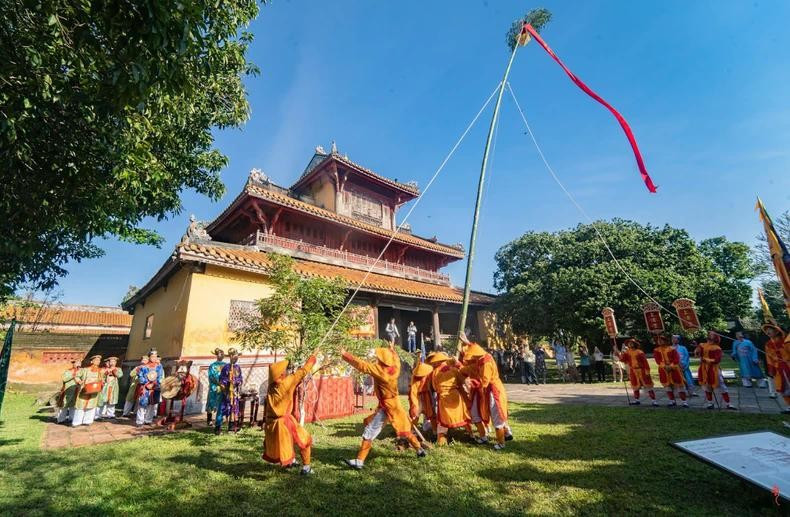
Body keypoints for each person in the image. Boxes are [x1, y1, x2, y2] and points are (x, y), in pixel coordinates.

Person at [341, 343, 426, 469]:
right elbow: (396, 358)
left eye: (379, 358)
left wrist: (345, 355)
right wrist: (391, 349)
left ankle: (359, 461)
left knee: (369, 432)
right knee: (404, 429)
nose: (377, 358)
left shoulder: (380, 371)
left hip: (387, 406)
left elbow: (362, 366)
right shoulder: (395, 367)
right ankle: (420, 450)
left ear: (382, 361)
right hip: (394, 403)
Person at [262, 351, 318, 475]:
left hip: (271, 423)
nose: (287, 371)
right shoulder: (286, 383)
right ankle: (306, 468)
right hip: (284, 422)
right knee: (305, 440)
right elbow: (302, 372)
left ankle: (290, 461)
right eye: (285, 370)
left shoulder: (270, 386)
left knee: (287, 442)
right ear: (281, 375)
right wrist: (312, 359)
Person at [458, 333, 513, 450]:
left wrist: (469, 383)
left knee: (497, 415)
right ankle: (484, 436)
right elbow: (470, 365)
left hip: (493, 391)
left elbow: (484, 382)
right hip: (484, 391)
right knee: (476, 413)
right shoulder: (480, 358)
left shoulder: (486, 362)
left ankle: (501, 442)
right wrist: (465, 343)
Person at [431, 353, 471, 446]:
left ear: (437, 362)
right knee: (463, 416)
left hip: (443, 397)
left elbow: (434, 387)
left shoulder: (435, 372)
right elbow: (462, 380)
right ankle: (471, 435)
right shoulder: (454, 370)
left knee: (442, 421)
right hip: (455, 396)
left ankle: (441, 442)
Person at [698, 332, 737, 410]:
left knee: (721, 385)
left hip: (714, 369)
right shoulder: (703, 345)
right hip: (703, 368)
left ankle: (728, 404)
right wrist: (697, 349)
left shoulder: (717, 348)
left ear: (715, 338)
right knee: (706, 386)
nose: (709, 336)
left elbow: (717, 360)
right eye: (709, 335)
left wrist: (705, 359)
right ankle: (710, 403)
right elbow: (698, 352)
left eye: (712, 335)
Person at [652, 335, 688, 407]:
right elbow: (658, 360)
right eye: (659, 340)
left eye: (661, 340)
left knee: (679, 385)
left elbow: (676, 359)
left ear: (665, 341)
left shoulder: (672, 349)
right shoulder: (656, 350)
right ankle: (671, 400)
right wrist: (664, 366)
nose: (660, 341)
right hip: (663, 370)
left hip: (674, 369)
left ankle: (684, 402)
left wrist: (670, 366)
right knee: (667, 386)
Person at [619, 339, 657, 406]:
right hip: (633, 371)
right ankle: (637, 400)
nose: (630, 344)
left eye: (631, 343)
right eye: (629, 343)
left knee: (648, 386)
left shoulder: (639, 352)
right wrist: (618, 353)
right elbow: (622, 359)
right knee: (635, 386)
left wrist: (647, 371)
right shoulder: (627, 352)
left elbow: (645, 362)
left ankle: (653, 400)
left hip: (642, 370)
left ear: (635, 344)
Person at [762, 323, 790, 413]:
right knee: (783, 388)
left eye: (769, 329)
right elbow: (769, 358)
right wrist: (771, 369)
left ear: (776, 330)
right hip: (779, 368)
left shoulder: (785, 340)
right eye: (766, 331)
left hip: (788, 365)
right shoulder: (768, 344)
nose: (767, 332)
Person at [72, 355, 104, 426]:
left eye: (99, 360)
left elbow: (102, 379)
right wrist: (80, 382)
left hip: (95, 390)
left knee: (91, 405)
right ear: (91, 361)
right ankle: (77, 422)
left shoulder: (100, 371)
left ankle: (87, 421)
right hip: (84, 389)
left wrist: (102, 383)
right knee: (80, 405)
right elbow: (76, 376)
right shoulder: (85, 370)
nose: (97, 362)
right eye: (96, 360)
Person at [408, 354, 435, 437]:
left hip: (427, 396)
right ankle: (411, 431)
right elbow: (413, 394)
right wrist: (414, 405)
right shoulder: (415, 381)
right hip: (418, 398)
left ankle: (435, 431)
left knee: (431, 414)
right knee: (415, 414)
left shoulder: (428, 376)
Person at [136, 348, 164, 427]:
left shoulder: (159, 367)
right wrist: (146, 383)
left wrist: (155, 384)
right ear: (149, 357)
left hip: (154, 388)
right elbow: (140, 376)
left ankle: (148, 420)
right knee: (142, 404)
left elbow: (160, 376)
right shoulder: (144, 367)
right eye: (152, 356)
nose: (154, 358)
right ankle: (139, 421)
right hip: (145, 388)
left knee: (152, 404)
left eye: (155, 357)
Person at [217, 348, 243, 434]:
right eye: (235, 357)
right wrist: (227, 383)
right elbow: (222, 379)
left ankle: (231, 427)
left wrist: (238, 382)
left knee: (234, 408)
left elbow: (240, 378)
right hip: (227, 392)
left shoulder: (238, 367)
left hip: (235, 392)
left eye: (237, 358)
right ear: (231, 357)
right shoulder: (226, 367)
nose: (236, 359)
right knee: (224, 407)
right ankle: (218, 428)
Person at [206, 348, 225, 426]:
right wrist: (218, 382)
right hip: (214, 387)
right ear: (216, 355)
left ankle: (220, 419)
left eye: (222, 354)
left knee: (221, 403)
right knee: (211, 402)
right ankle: (209, 420)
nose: (221, 355)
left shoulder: (226, 365)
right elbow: (211, 376)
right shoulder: (212, 365)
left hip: (223, 387)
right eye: (220, 354)